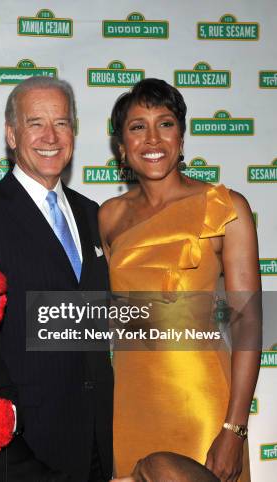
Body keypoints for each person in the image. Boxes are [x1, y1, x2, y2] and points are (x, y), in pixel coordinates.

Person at [0, 76, 113, 480]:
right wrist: (4, 430)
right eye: (36, 122)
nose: (51, 136)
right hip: (20, 444)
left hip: (98, 439)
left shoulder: (95, 215)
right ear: (11, 134)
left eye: (62, 123)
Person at [99, 78, 261, 481]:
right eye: (137, 126)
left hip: (201, 400)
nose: (152, 137)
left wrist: (234, 429)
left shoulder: (225, 207)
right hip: (130, 401)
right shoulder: (108, 216)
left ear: (182, 138)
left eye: (165, 123)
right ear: (122, 147)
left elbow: (249, 323)